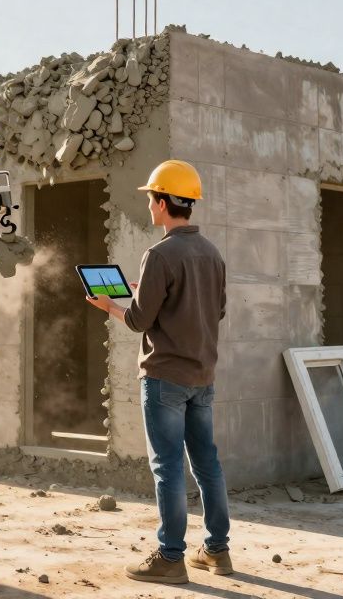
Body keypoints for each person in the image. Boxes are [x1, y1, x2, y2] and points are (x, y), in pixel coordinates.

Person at [85, 159, 231, 585]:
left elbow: (137, 322)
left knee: (167, 468)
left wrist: (109, 305)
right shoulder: (211, 253)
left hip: (165, 378)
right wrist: (143, 288)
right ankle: (217, 552)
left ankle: (170, 558)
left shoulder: (161, 253)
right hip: (202, 377)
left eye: (151, 198)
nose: (149, 205)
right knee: (208, 464)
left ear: (164, 202)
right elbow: (214, 309)